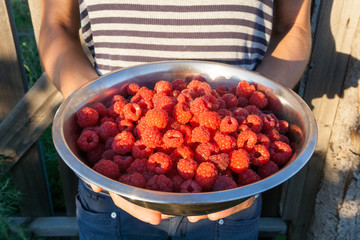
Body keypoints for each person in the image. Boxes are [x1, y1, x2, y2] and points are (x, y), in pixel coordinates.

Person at [39, 0, 312, 239]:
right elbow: (57, 24)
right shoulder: (120, 139)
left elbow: (293, 26)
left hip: (231, 185)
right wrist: (94, 108)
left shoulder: (230, 143)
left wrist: (255, 103)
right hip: (112, 189)